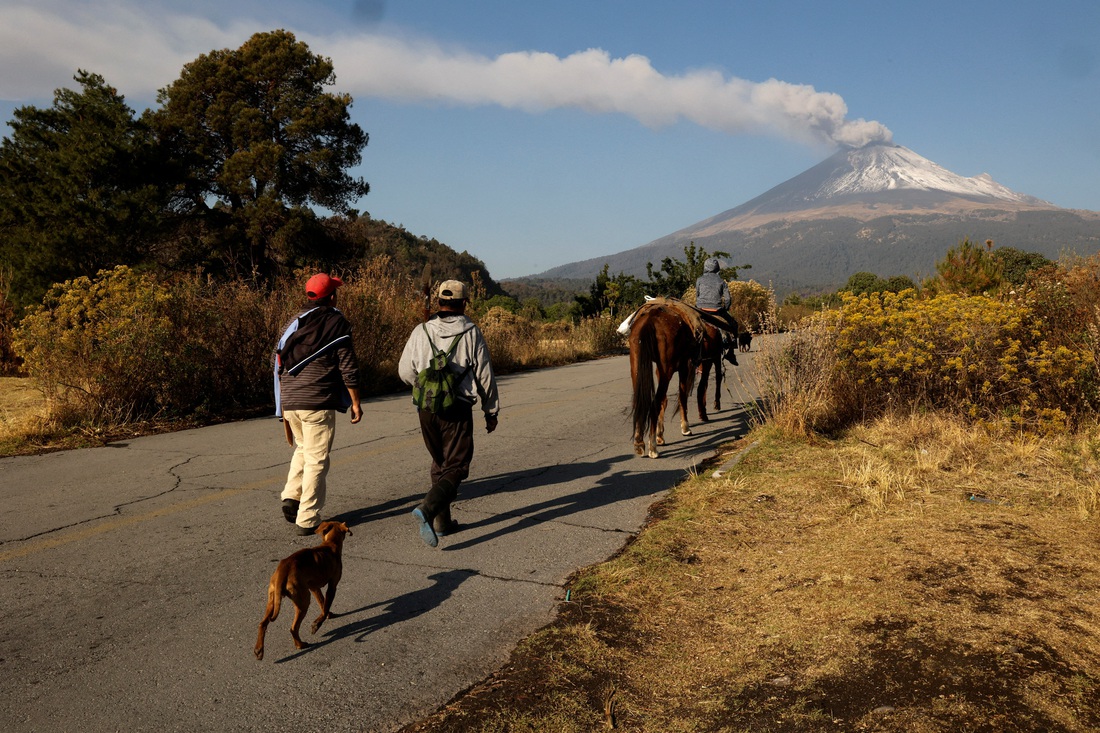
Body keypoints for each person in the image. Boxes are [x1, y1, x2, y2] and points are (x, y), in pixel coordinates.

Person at [398, 280, 500, 547]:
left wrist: (427, 387)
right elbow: (484, 376)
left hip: (426, 408)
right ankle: (428, 510)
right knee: (456, 467)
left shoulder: (421, 331)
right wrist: (490, 410)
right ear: (464, 303)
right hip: (457, 409)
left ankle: (442, 523)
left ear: (439, 302)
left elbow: (404, 372)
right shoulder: (472, 333)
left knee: (440, 463)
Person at [274, 273, 363, 536]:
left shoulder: (293, 323)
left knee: (303, 448)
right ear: (332, 296)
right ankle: (308, 517)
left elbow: (276, 362)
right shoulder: (335, 322)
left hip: (290, 399)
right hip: (317, 400)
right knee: (317, 458)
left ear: (310, 295)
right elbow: (348, 365)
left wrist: (282, 404)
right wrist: (355, 401)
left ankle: (292, 496)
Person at [694, 257, 739, 365]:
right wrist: (725, 309)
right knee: (734, 325)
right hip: (716, 310)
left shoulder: (699, 280)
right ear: (717, 268)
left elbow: (697, 295)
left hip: (701, 310)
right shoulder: (721, 282)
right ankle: (731, 352)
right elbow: (728, 299)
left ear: (705, 267)